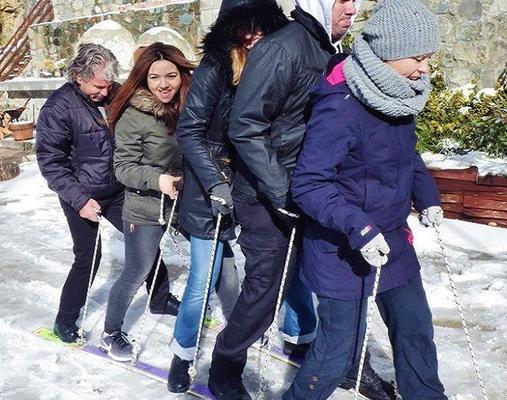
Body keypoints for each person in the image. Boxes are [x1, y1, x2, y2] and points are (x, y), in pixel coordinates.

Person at [206, 0, 397, 398]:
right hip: (269, 197)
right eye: (342, 0)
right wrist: (280, 189)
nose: (352, 8)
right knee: (266, 291)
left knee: (345, 282)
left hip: (319, 191)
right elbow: (245, 126)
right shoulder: (283, 48)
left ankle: (348, 364)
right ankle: (224, 367)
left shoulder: (330, 49)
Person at [283, 0, 448, 398]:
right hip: (341, 248)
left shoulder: (399, 95)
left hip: (391, 239)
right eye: (418, 58)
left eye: (428, 58)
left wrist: (427, 197)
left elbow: (405, 155)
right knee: (336, 353)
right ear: (389, 53)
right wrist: (359, 227)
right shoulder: (341, 107)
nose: (424, 68)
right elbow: (309, 184)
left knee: (415, 330)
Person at [169, 0, 289, 393]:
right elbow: (189, 131)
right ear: (230, 29)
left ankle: (297, 339)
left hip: (254, 186)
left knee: (267, 276)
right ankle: (182, 355)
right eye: (244, 27)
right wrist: (217, 183)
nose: (253, 35)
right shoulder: (216, 66)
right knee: (203, 280)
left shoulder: (270, 63)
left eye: (261, 26)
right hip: (213, 188)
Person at [35, 44, 178, 344]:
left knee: (146, 242)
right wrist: (79, 200)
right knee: (88, 256)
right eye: (99, 86)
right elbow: (51, 161)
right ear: (78, 76)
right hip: (81, 194)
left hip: (117, 188)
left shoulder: (116, 94)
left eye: (109, 85)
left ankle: (160, 299)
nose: (105, 91)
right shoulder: (57, 108)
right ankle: (65, 321)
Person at [96, 43, 194, 361]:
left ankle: (160, 301)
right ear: (143, 79)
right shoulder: (133, 115)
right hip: (144, 207)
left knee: (217, 256)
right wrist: (159, 180)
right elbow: (123, 168)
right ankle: (110, 333)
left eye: (170, 75)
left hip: (181, 203)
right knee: (137, 271)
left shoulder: (188, 106)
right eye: (154, 78)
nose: (163, 84)